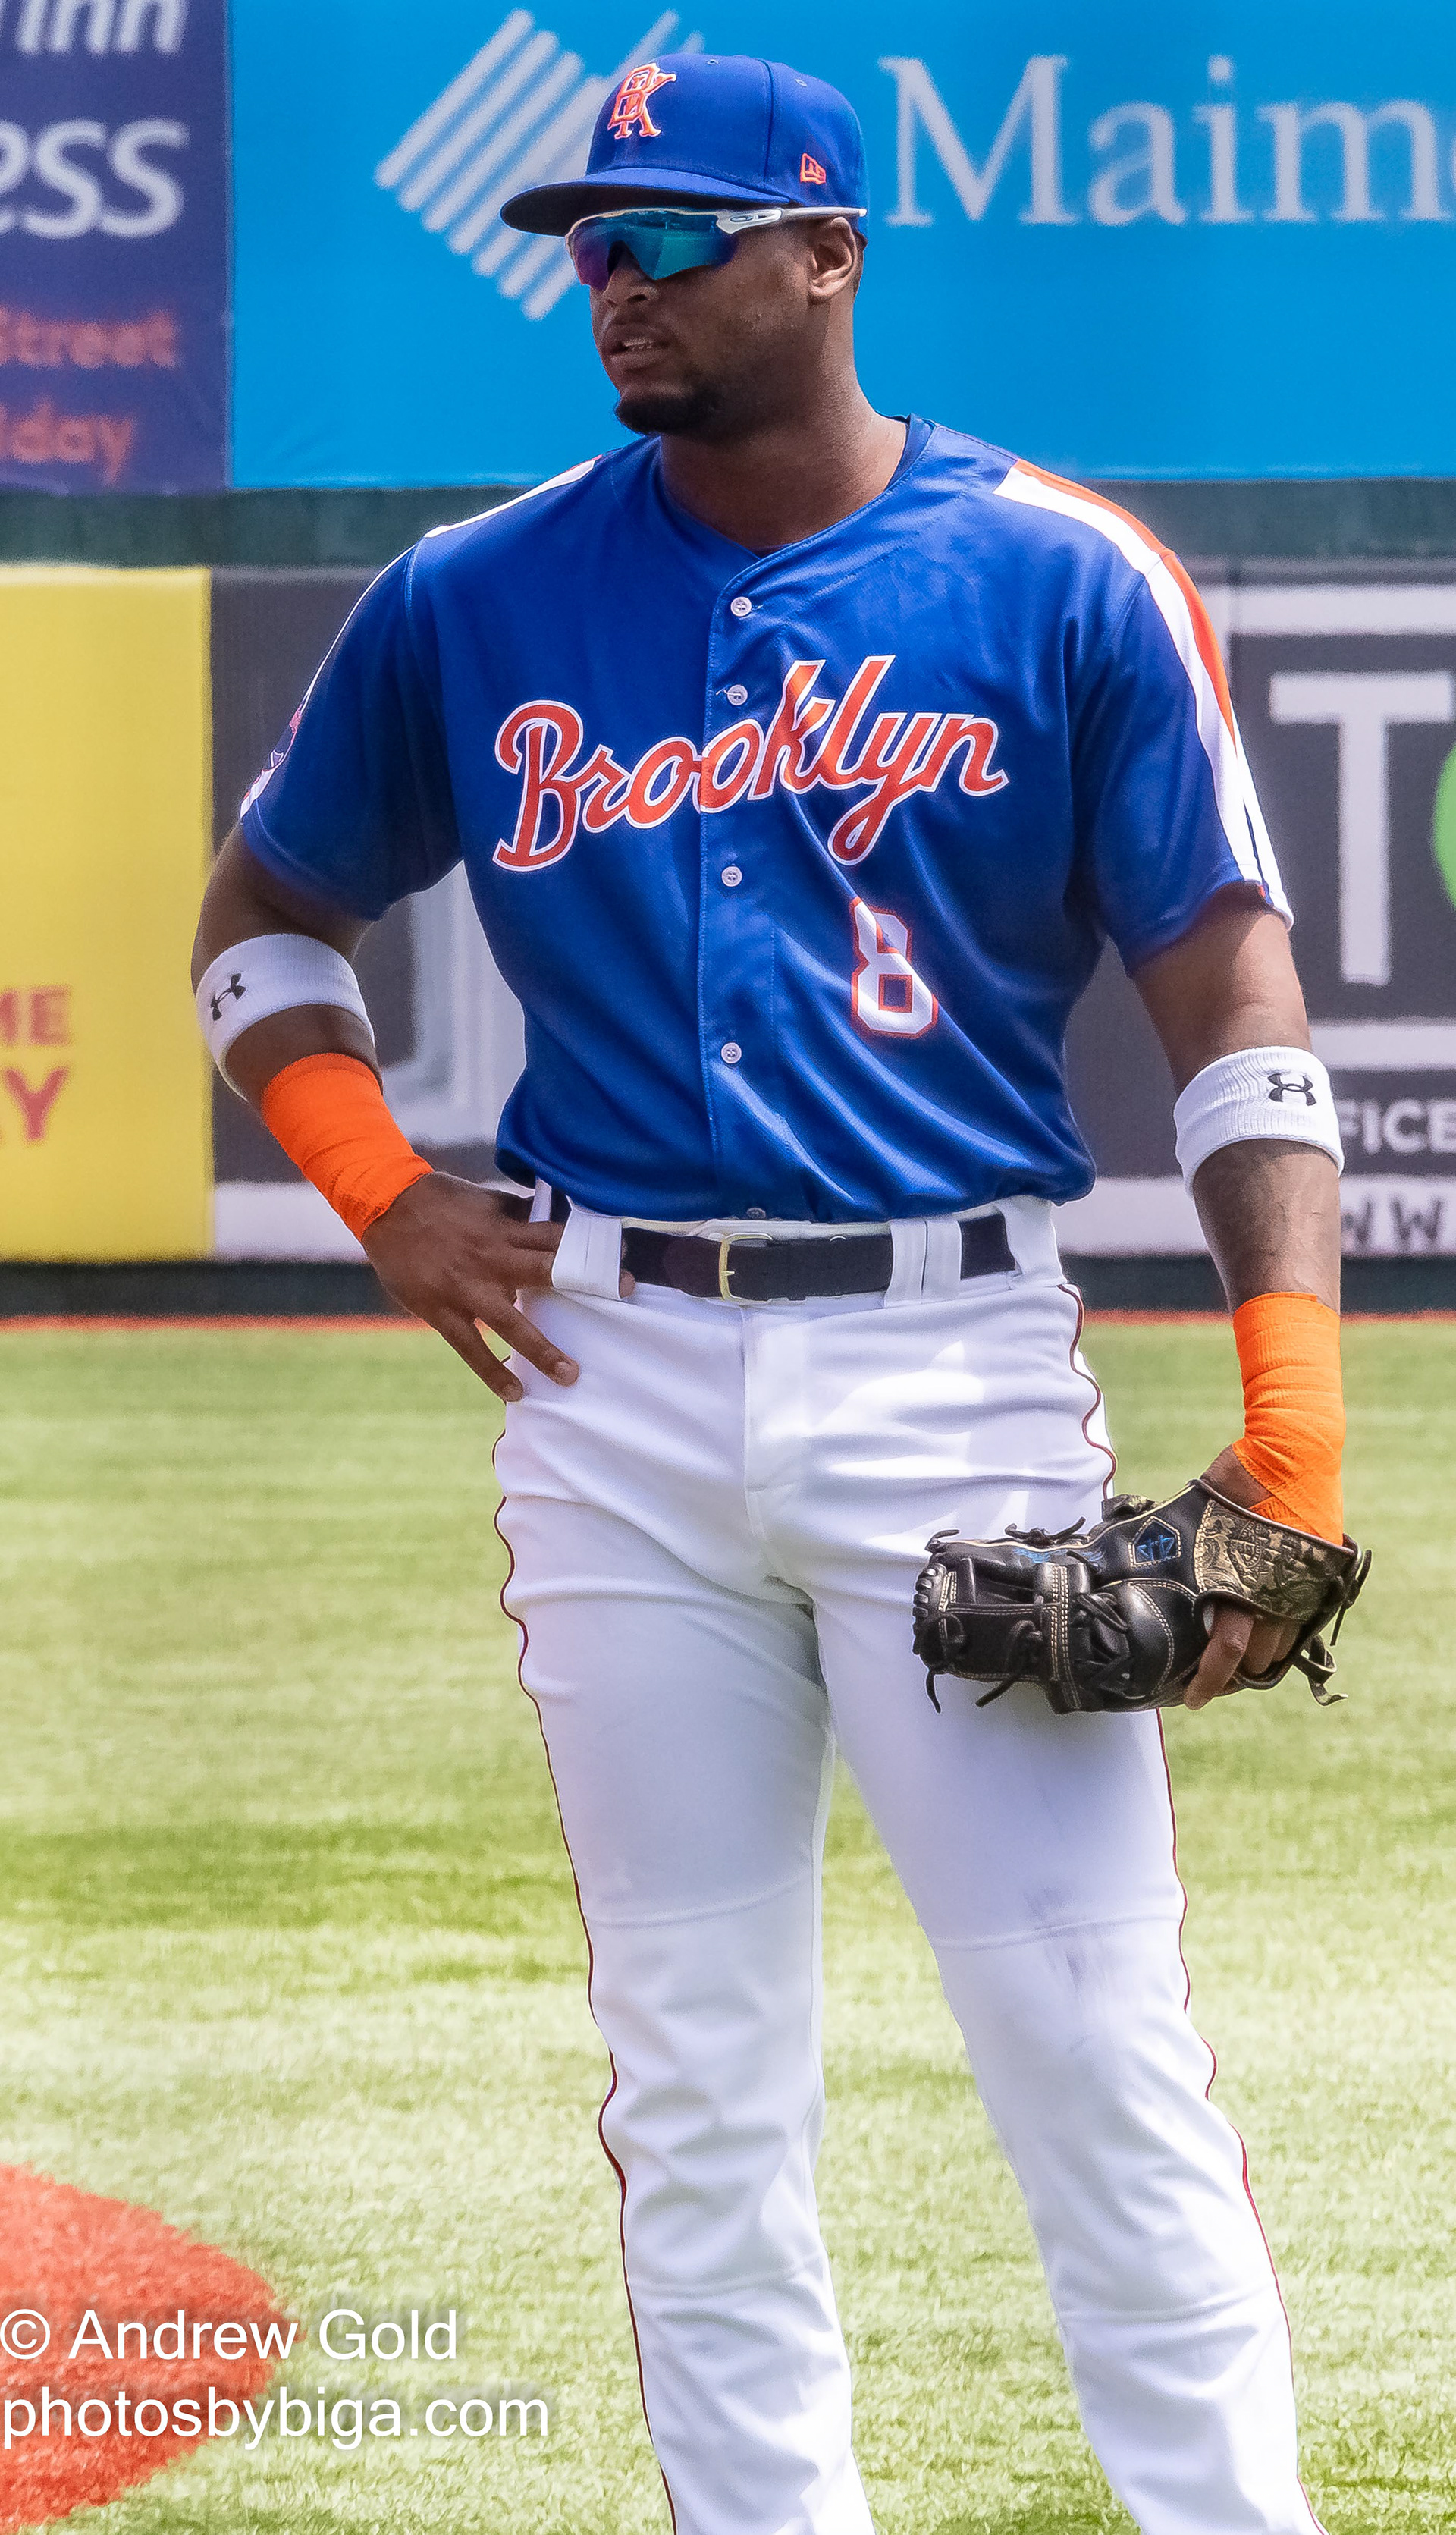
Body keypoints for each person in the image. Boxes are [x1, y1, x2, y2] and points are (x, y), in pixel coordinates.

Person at [192, 52, 1347, 2535]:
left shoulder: (1057, 577)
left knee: (1090, 2049)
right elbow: (261, 923)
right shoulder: (472, 597)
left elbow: (1237, 1014)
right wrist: (376, 1177)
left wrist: (1297, 1447)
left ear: (830, 251)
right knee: (696, 2087)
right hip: (605, 1383)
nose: (609, 284)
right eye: (585, 242)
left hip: (949, 1368)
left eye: (672, 235)